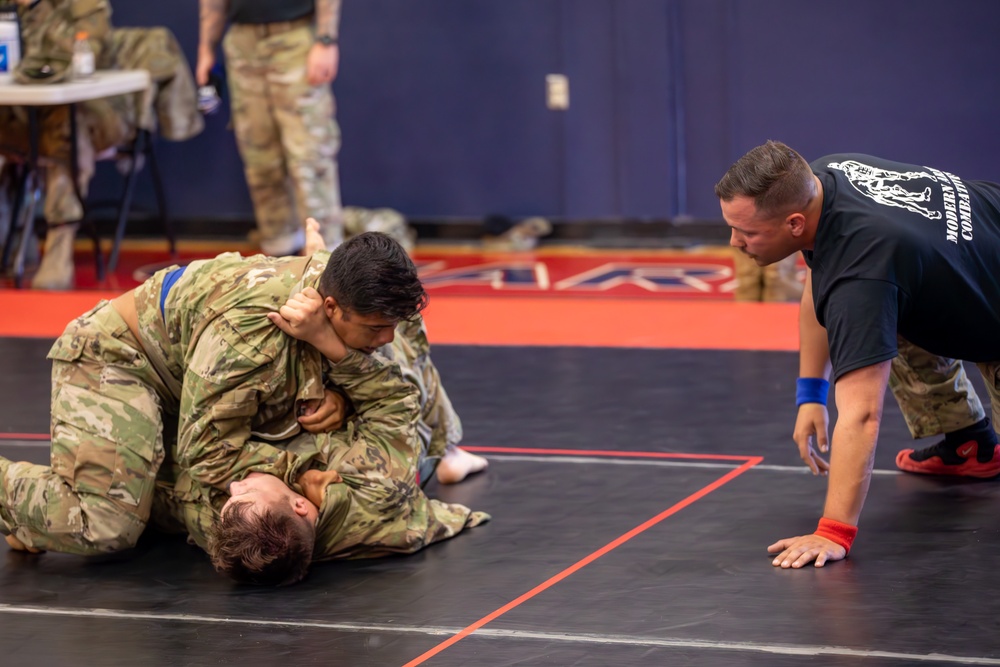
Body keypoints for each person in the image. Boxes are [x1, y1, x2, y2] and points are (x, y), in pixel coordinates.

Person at [0, 231, 484, 563]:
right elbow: (205, 451)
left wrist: (336, 359)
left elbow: (396, 392)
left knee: (388, 377)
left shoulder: (367, 301)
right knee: (106, 525)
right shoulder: (252, 337)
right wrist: (301, 471)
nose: (386, 337)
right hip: (121, 359)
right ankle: (56, 497)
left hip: (199, 378)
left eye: (393, 325)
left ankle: (67, 497)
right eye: (377, 328)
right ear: (330, 307)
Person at [715, 140, 1000, 569]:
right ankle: (970, 445)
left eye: (747, 232)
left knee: (872, 315)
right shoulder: (824, 178)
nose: (734, 242)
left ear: (794, 223)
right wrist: (810, 392)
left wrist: (834, 531)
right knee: (886, 311)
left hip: (985, 284)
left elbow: (863, 414)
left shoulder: (864, 268)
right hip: (981, 257)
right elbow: (820, 281)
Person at [154, 301, 489, 585]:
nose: (235, 485)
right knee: (393, 338)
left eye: (232, 497)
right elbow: (394, 398)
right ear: (301, 506)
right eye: (248, 492)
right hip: (400, 448)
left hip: (314, 441)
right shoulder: (376, 485)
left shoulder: (226, 523)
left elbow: (196, 464)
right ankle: (449, 450)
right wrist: (326, 342)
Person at [196, 0, 343, 255]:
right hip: (243, 41)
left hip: (294, 37)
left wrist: (326, 39)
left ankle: (327, 255)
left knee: (309, 153)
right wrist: (207, 47)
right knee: (259, 154)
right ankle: (279, 250)